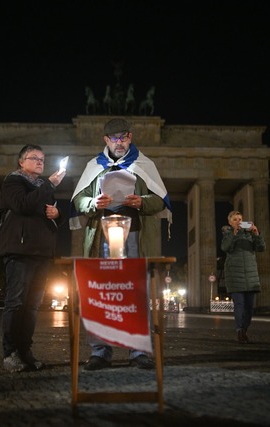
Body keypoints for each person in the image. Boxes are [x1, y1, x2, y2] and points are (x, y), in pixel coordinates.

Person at [70, 118, 171, 370]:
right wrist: (93, 203)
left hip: (134, 235)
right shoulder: (94, 166)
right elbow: (79, 199)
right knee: (102, 294)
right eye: (114, 138)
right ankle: (100, 351)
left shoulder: (144, 164)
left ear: (131, 137)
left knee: (136, 292)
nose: (119, 142)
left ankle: (138, 352)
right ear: (105, 140)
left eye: (124, 137)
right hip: (101, 237)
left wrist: (142, 202)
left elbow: (160, 200)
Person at [0, 144, 67, 372]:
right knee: (15, 303)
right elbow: (23, 206)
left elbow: (49, 216)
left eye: (42, 159)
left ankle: (25, 351)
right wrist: (49, 184)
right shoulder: (13, 182)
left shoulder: (42, 186)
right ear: (21, 161)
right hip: (19, 249)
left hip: (41, 252)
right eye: (34, 158)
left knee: (33, 306)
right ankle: (10, 353)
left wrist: (57, 214)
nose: (40, 162)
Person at [220, 211, 266, 343]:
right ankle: (239, 330)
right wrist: (234, 234)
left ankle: (245, 329)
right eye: (235, 219)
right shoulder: (228, 234)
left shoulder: (250, 234)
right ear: (230, 222)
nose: (238, 221)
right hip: (235, 275)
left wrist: (256, 233)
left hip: (250, 275)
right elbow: (225, 247)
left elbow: (261, 248)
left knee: (249, 307)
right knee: (239, 304)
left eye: (240, 219)